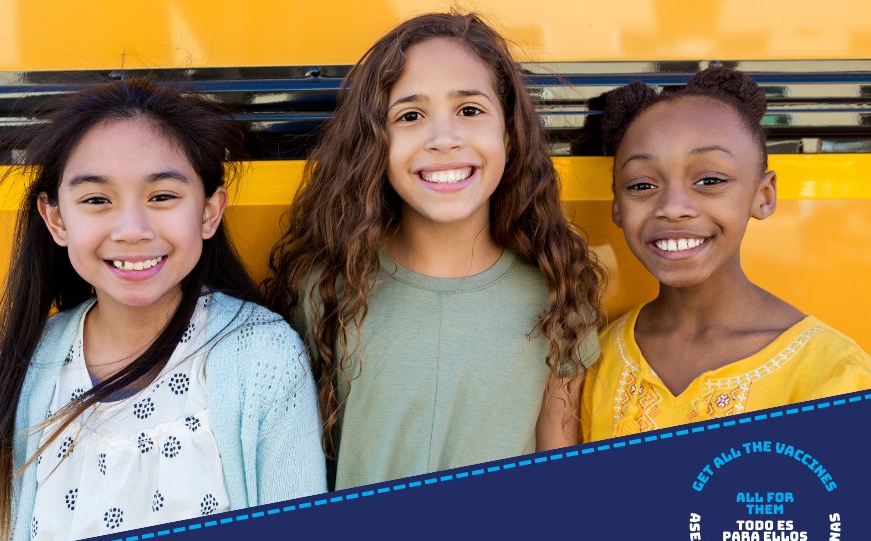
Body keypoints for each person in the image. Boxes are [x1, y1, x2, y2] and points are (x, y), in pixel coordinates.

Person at [0, 78, 326, 541]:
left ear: (208, 211)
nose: (132, 231)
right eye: (97, 200)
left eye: (162, 196)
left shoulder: (262, 357)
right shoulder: (38, 361)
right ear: (56, 219)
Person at [266, 12, 604, 489]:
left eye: (470, 110)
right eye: (410, 115)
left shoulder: (559, 295)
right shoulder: (326, 289)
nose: (444, 139)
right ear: (375, 143)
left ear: (508, 132)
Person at [582, 66, 871, 442]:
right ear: (617, 205)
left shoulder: (831, 372)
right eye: (641, 184)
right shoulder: (597, 361)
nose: (673, 207)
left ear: (763, 195)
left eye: (710, 180)